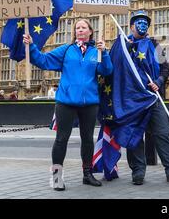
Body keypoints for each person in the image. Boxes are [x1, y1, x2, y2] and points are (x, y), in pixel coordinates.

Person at [23, 18, 113, 191]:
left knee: (87, 140)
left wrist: (105, 52)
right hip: (66, 102)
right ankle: (56, 178)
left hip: (90, 103)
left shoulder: (96, 51)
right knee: (61, 139)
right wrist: (32, 46)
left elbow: (107, 71)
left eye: (83, 27)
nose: (80, 30)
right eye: (77, 27)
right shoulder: (66, 50)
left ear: (90, 31)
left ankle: (87, 174)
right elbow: (43, 61)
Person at [126, 10, 169, 185]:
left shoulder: (155, 45)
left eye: (145, 22)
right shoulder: (125, 46)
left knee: (163, 133)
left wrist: (158, 81)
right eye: (139, 22)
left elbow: (165, 69)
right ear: (132, 26)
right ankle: (138, 170)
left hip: (154, 97)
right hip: (135, 99)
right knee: (135, 136)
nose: (143, 25)